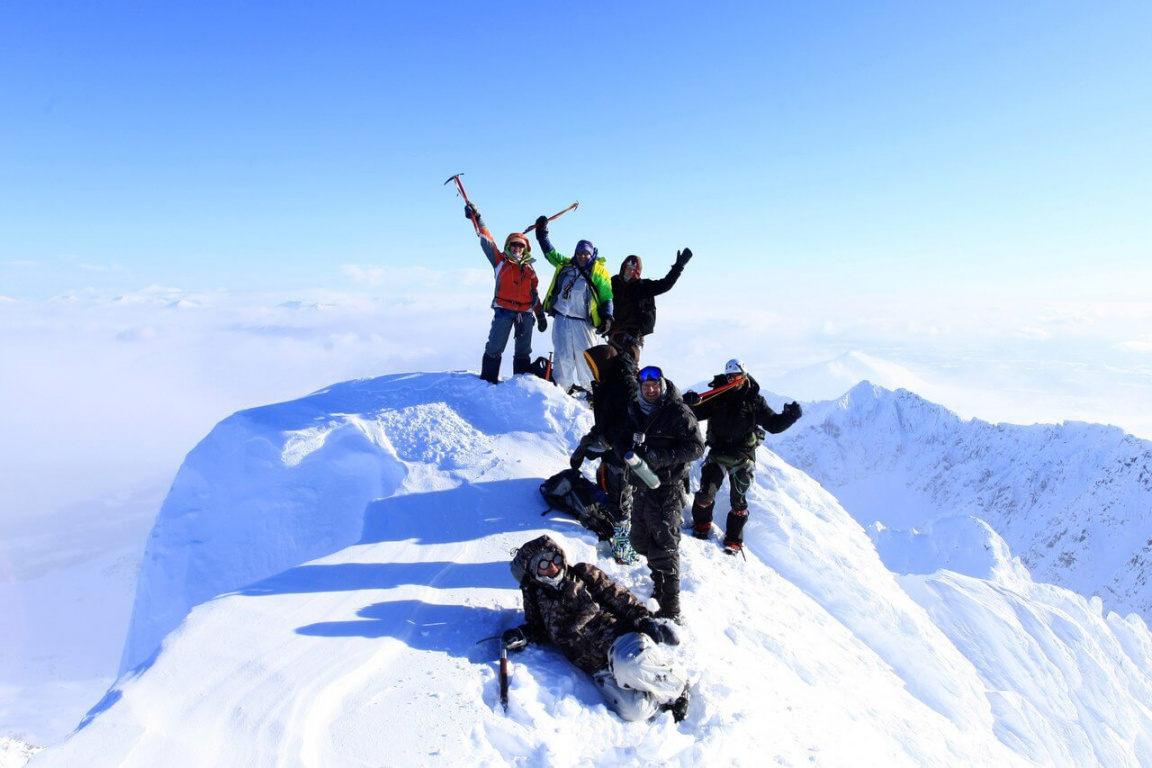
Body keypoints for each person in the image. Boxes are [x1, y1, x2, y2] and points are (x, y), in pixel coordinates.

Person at [504, 534, 689, 722]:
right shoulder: (536, 599)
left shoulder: (583, 574)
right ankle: (655, 689)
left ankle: (678, 687)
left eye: (555, 559)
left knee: (628, 666)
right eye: (543, 564)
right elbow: (538, 629)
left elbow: (622, 598)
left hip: (620, 640)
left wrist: (645, 621)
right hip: (596, 666)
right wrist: (523, 634)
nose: (552, 566)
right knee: (635, 711)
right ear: (534, 571)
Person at [683, 359, 802, 554]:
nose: (732, 381)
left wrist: (789, 417)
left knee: (738, 502)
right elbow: (692, 414)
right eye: (730, 377)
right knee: (705, 494)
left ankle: (734, 540)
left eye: (736, 377)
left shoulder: (754, 401)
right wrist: (689, 403)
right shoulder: (716, 397)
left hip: (743, 457)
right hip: (718, 453)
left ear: (744, 377)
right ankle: (702, 526)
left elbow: (773, 424)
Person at [617, 365, 704, 622]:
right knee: (640, 541)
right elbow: (621, 437)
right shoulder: (635, 409)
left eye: (655, 386)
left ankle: (671, 609)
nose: (651, 390)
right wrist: (625, 452)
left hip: (668, 488)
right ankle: (658, 583)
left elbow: (697, 447)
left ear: (662, 385)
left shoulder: (677, 412)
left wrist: (660, 457)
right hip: (641, 485)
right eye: (646, 386)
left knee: (666, 546)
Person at [570, 341, 641, 564]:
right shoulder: (609, 381)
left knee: (621, 501)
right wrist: (591, 438)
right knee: (612, 495)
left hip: (625, 453)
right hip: (613, 451)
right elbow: (606, 419)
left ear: (604, 363)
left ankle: (624, 552)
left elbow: (628, 422)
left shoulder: (625, 384)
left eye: (593, 365)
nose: (592, 370)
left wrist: (604, 441)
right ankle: (617, 538)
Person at [465, 202, 548, 384]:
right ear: (508, 246)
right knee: (495, 347)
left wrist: (539, 315)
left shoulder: (529, 269)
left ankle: (519, 384)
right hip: (504, 311)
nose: (517, 248)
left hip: (525, 314)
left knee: (523, 351)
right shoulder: (500, 261)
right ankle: (488, 381)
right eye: (514, 245)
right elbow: (487, 240)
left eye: (520, 245)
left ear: (525, 248)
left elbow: (533, 294)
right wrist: (477, 218)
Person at [534, 215, 614, 395]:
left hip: (584, 324)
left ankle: (592, 393)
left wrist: (608, 317)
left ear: (592, 253)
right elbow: (550, 253)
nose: (583, 257)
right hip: (562, 319)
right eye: (579, 253)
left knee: (586, 359)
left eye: (586, 253)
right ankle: (562, 391)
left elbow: (606, 295)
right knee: (562, 356)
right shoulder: (566, 265)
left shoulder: (599, 272)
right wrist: (542, 234)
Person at [609, 250, 693, 360]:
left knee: (628, 367)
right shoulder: (613, 283)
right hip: (614, 334)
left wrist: (678, 266)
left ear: (638, 272)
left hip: (632, 336)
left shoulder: (643, 287)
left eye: (633, 270)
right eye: (628, 268)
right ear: (623, 268)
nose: (630, 272)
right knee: (610, 367)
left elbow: (666, 284)